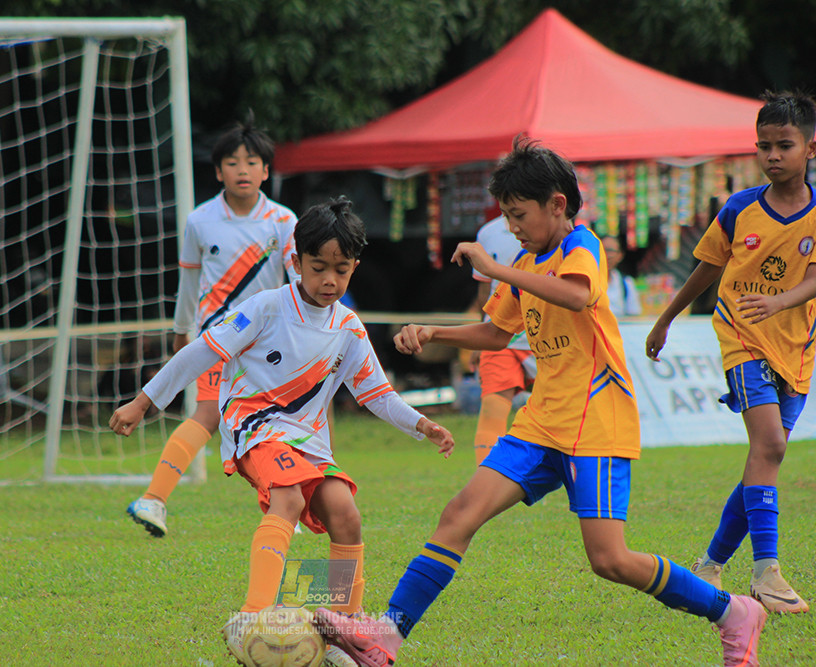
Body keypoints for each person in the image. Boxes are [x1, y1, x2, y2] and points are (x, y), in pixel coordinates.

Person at [314, 138, 767, 667]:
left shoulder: (583, 247)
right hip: (542, 421)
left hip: (596, 419)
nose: (512, 228)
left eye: (518, 215)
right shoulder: (526, 259)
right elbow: (495, 333)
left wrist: (496, 267)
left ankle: (733, 612)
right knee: (459, 512)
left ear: (557, 203)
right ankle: (387, 637)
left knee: (609, 559)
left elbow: (576, 294)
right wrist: (432, 331)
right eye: (506, 216)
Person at [110, 197, 454, 664]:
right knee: (287, 496)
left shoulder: (349, 328)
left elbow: (377, 394)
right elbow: (200, 353)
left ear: (354, 268)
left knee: (346, 512)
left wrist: (421, 424)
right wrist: (143, 400)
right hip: (254, 425)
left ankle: (344, 632)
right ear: (295, 262)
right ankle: (251, 619)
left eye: (342, 269)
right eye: (318, 267)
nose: (330, 280)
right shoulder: (267, 308)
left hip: (305, 438)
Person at [645, 90, 816, 615]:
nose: (772, 155)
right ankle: (766, 572)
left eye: (784, 145)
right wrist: (667, 317)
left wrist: (783, 301)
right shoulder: (739, 208)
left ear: (811, 146)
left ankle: (708, 566)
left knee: (762, 463)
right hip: (740, 337)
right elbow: (707, 269)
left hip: (797, 350)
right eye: (763, 145)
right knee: (770, 446)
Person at [126, 113, 299, 537]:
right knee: (207, 414)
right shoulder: (199, 221)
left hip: (267, 343)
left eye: (252, 161)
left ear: (266, 170)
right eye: (234, 162)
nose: (243, 170)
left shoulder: (285, 221)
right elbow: (188, 281)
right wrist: (182, 330)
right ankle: (154, 499)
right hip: (217, 339)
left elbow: (297, 285)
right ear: (218, 170)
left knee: (271, 423)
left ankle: (283, 510)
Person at [469, 215, 535, 464]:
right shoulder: (488, 232)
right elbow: (484, 293)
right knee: (492, 414)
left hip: (547, 339)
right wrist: (480, 336)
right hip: (501, 338)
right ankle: (485, 485)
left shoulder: (561, 229)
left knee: (561, 412)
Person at [602, 235, 642, 317]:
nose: (607, 255)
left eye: (610, 251)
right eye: (602, 250)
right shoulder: (588, 281)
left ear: (620, 255)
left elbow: (634, 314)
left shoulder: (627, 282)